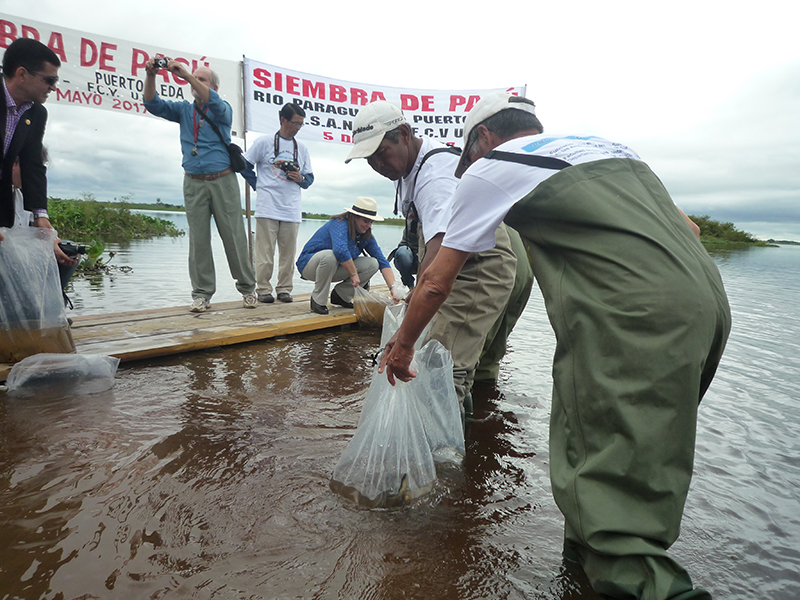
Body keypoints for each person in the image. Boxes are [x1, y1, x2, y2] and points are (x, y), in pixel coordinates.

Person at [379, 93, 731, 600]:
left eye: (468, 158)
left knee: (618, 513)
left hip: (635, 317)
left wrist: (402, 346)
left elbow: (436, 281)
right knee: (618, 459)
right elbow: (691, 229)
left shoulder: (490, 166)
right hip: (707, 301)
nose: (467, 171)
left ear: (483, 138)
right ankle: (580, 579)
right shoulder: (608, 149)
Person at [345, 100, 518, 413]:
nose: (377, 164)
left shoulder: (435, 178)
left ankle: (446, 459)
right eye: (369, 159)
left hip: (477, 271)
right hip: (463, 266)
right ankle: (473, 435)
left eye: (381, 152)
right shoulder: (413, 169)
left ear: (405, 134)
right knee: (449, 362)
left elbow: (437, 270)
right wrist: (412, 307)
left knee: (445, 370)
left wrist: (405, 334)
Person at [143, 57, 257, 313]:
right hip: (193, 182)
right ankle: (202, 295)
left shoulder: (221, 108)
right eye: (195, 78)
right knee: (199, 241)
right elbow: (152, 104)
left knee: (234, 237)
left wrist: (187, 75)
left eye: (202, 79)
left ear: (213, 87)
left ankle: (248, 289)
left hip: (223, 180)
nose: (195, 81)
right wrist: (151, 75)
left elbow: (215, 103)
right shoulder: (184, 110)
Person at [0, 38, 76, 270]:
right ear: (22, 74)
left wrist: (40, 215)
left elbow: (33, 164)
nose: (54, 87)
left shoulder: (37, 113)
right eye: (49, 80)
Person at [244, 103, 313, 305]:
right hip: (267, 206)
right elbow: (244, 165)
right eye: (295, 123)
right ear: (282, 119)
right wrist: (257, 184)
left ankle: (284, 289)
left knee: (288, 254)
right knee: (264, 253)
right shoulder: (263, 142)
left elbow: (309, 180)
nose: (298, 128)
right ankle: (263, 289)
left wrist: (300, 178)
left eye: (301, 124)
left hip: (291, 208)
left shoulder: (302, 148)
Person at [296, 197, 399, 315]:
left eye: (371, 222)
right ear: (354, 217)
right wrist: (353, 274)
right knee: (330, 255)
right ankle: (318, 300)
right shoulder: (338, 223)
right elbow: (340, 250)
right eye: (366, 221)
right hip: (310, 266)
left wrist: (393, 288)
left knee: (373, 263)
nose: (369, 225)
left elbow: (382, 261)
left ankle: (341, 296)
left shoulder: (365, 235)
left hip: (334, 268)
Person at [386, 215, 419, 288]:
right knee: (403, 253)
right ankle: (409, 285)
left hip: (428, 259)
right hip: (411, 259)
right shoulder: (412, 221)